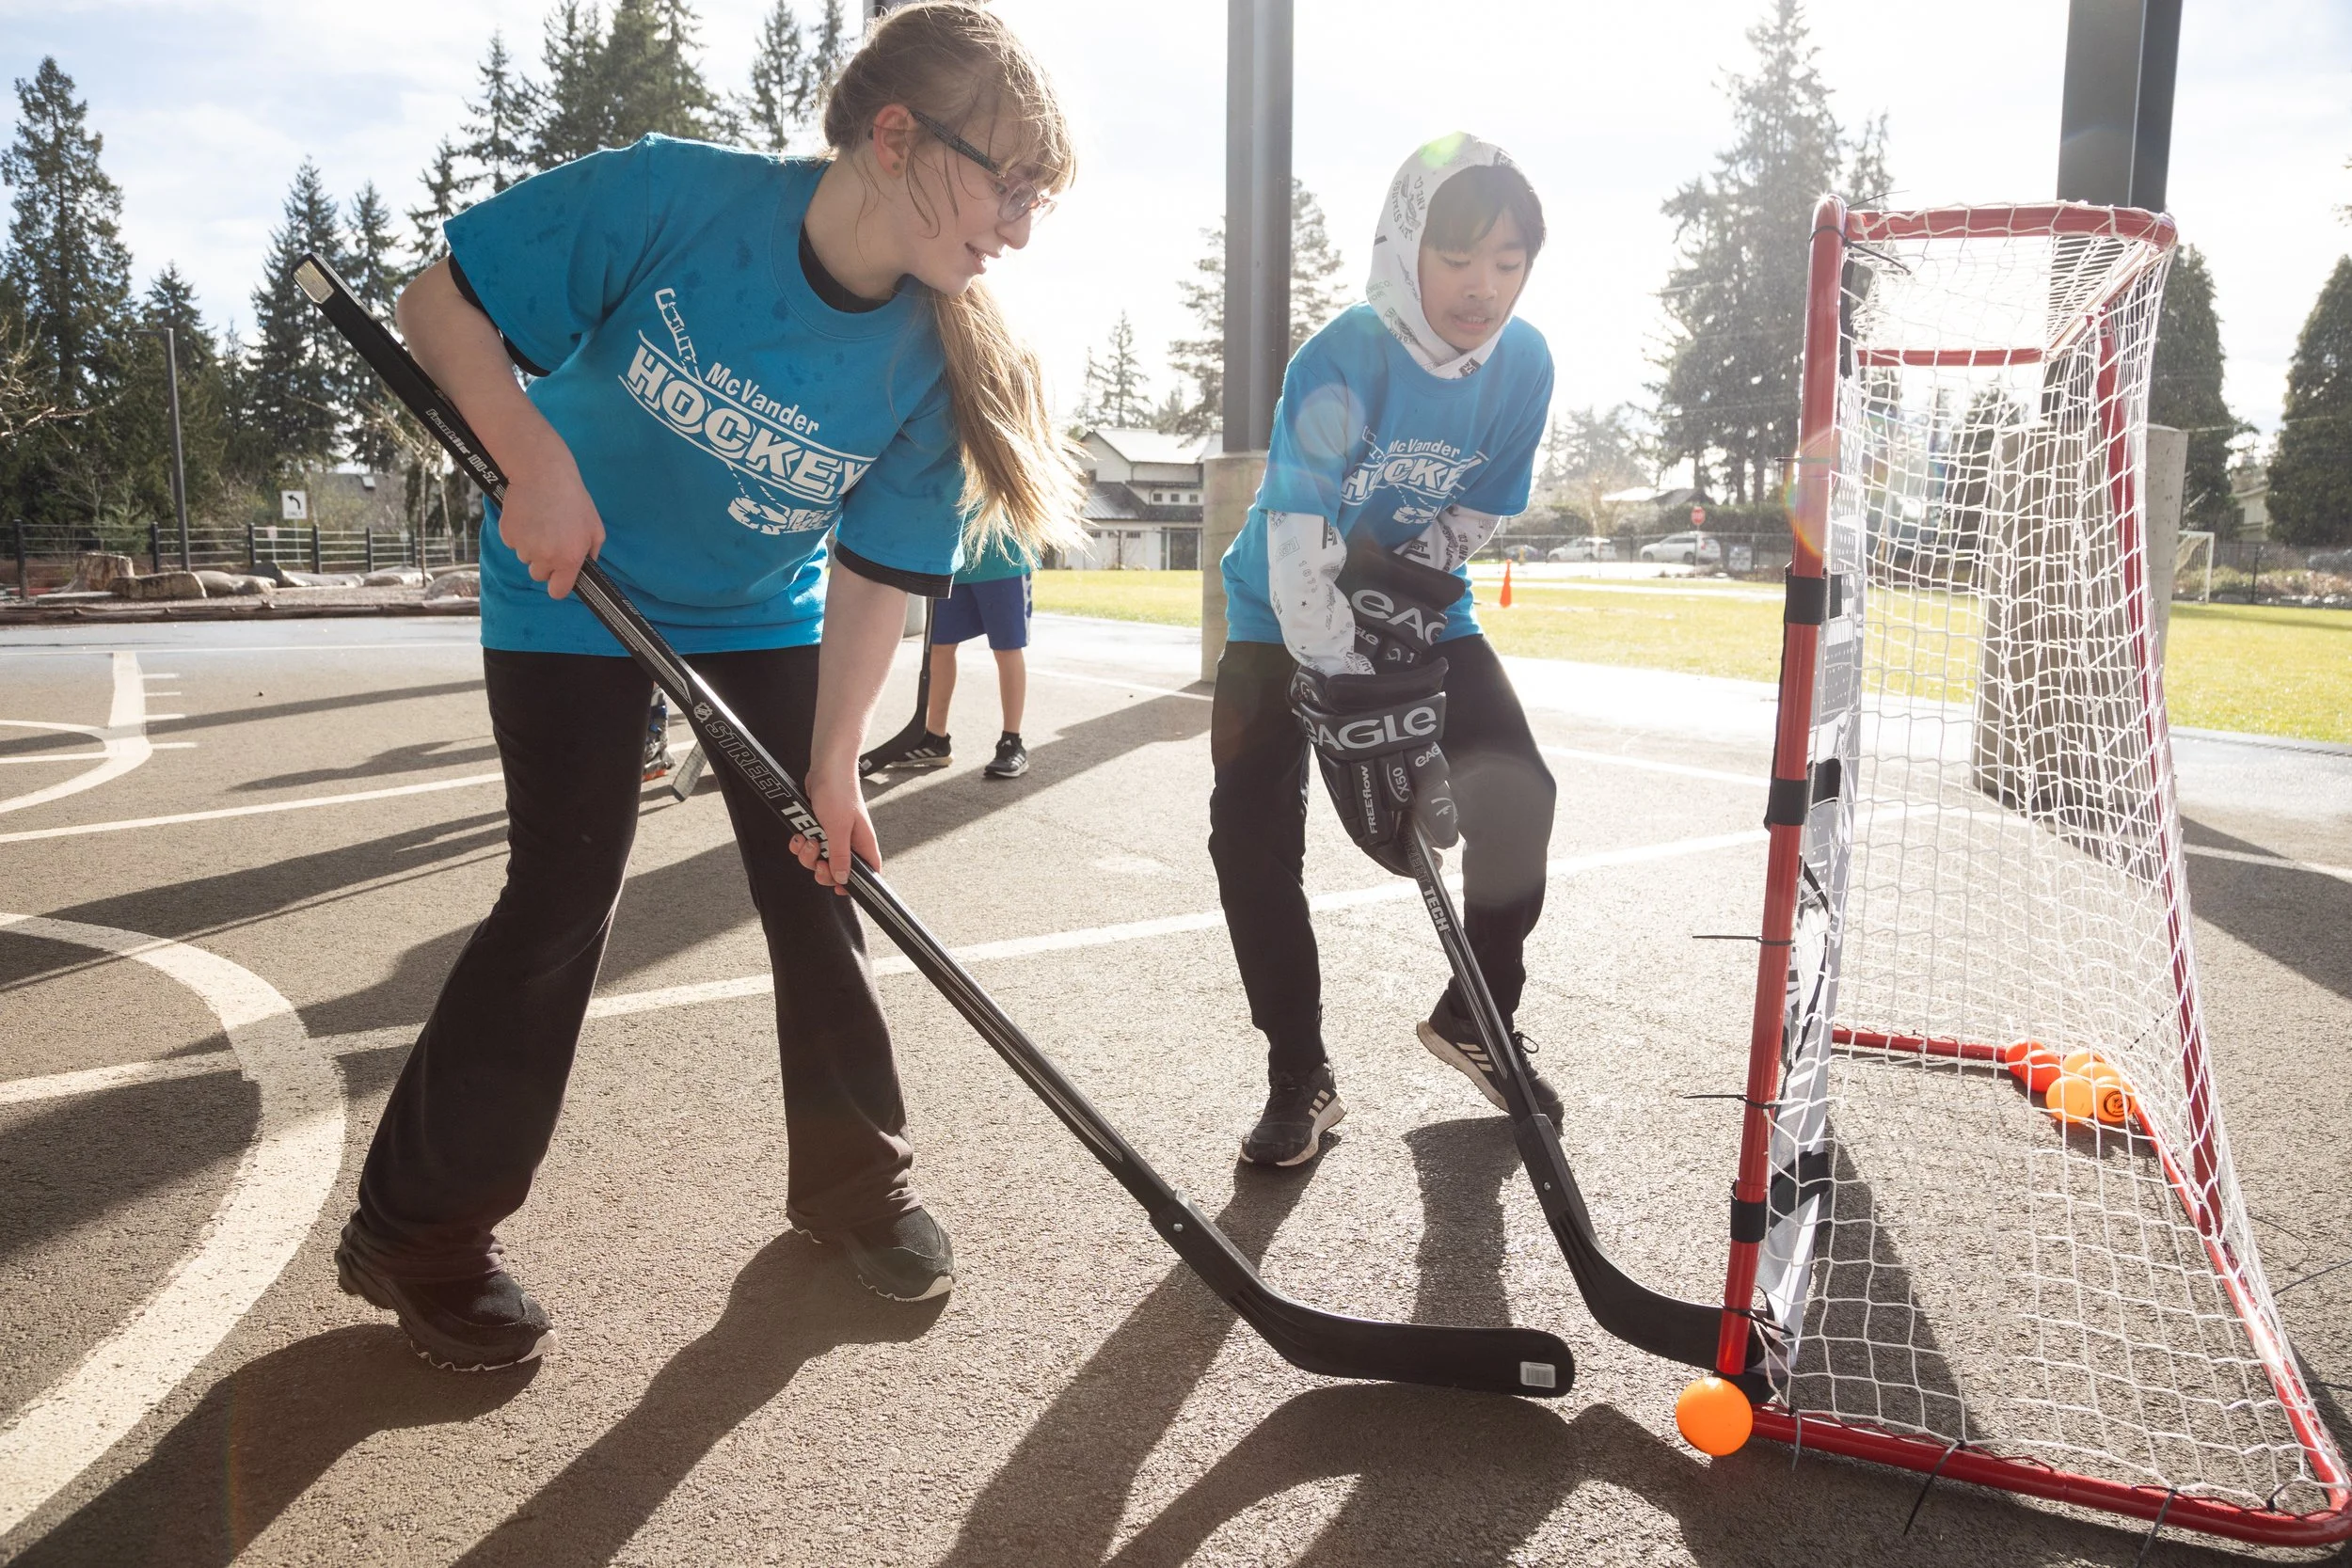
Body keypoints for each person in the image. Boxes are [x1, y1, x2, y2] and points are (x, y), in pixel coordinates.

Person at [332, 1, 1081, 1370]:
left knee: (819, 865)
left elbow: (873, 572)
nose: (1019, 229)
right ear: (897, 136)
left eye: (1039, 199)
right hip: (572, 572)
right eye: (1009, 184)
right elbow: (439, 300)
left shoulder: (933, 349)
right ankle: (416, 1231)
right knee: (565, 889)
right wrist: (530, 457)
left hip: (755, 605)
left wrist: (838, 759)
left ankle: (855, 1186)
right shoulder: (678, 195)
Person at [1209, 135, 1565, 1167]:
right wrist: (1347, 687)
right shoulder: (1343, 356)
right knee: (1250, 838)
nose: (1482, 287)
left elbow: (1473, 512)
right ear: (1408, 245)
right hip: (1279, 613)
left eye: (1508, 263)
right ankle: (1298, 1075)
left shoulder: (1525, 363)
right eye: (1459, 258)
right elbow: (1295, 539)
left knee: (1522, 791)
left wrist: (1402, 620)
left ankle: (1477, 1014)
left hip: (1415, 607)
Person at [889, 529, 1035, 777]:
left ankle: (1012, 741)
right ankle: (935, 739)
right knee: (939, 647)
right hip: (953, 563)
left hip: (1004, 559)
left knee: (1007, 649)